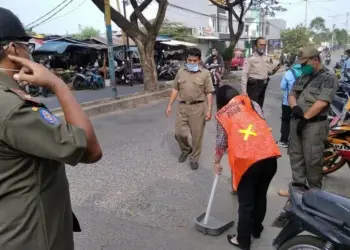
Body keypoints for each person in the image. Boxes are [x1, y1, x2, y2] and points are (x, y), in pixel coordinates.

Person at [0, 8, 102, 249]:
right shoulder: (12, 108)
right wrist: (57, 84)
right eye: (28, 46)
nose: (29, 52)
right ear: (14, 49)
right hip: (30, 236)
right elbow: (90, 150)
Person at [214, 85, 281, 250]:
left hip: (247, 162)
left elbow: (221, 142)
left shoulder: (223, 114)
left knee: (246, 203)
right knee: (260, 195)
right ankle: (256, 230)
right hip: (269, 156)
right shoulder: (253, 104)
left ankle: (243, 240)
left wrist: (216, 161)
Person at [278, 46, 339, 197]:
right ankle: (297, 191)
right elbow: (292, 93)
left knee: (313, 160)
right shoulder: (303, 76)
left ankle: (314, 195)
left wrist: (305, 118)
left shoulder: (329, 78)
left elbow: (322, 102)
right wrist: (295, 107)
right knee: (296, 156)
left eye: (305, 63)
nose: (302, 67)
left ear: (315, 60)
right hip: (297, 122)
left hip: (314, 125)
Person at [166, 48, 214, 170]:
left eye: (194, 60)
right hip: (182, 106)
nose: (191, 63)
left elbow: (209, 93)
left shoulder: (205, 74)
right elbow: (175, 89)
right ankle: (186, 149)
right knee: (179, 133)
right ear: (186, 60)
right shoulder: (181, 71)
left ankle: (194, 158)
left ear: (199, 60)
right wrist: (170, 104)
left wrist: (209, 110)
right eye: (189, 60)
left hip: (198, 108)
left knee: (197, 136)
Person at [241, 37, 281, 108]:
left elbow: (268, 73)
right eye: (261, 44)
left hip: (263, 86)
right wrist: (244, 91)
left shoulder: (266, 58)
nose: (263, 46)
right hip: (253, 87)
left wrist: (275, 70)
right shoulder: (250, 58)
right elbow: (244, 74)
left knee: (259, 107)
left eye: (264, 45)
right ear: (256, 46)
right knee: (253, 109)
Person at [277, 61, 302, 148]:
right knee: (299, 121)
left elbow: (283, 87)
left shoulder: (288, 73)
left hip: (287, 102)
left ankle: (284, 141)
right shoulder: (305, 72)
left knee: (285, 121)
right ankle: (297, 143)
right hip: (301, 103)